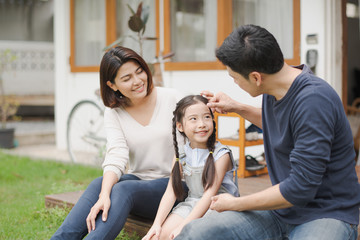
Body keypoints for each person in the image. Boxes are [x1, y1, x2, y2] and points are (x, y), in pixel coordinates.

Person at [175, 24, 360, 240]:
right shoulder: (276, 88)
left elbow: (299, 188)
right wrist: (237, 107)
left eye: (234, 77)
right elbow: (285, 125)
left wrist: (236, 203)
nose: (234, 82)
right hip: (281, 210)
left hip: (326, 213)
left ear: (256, 77)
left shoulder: (314, 101)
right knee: (197, 232)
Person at [51, 46, 184, 240]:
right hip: (141, 182)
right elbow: (116, 154)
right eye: (127, 78)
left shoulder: (173, 98)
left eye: (139, 72)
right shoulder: (114, 112)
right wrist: (104, 195)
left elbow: (184, 154)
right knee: (100, 185)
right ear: (112, 85)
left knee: (124, 189)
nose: (138, 81)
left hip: (177, 186)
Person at [142, 95, 239, 240]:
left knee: (185, 235)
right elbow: (170, 192)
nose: (202, 124)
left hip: (220, 207)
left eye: (206, 117)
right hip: (193, 202)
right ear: (180, 126)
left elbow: (209, 195)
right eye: (193, 119)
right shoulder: (181, 154)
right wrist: (156, 224)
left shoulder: (221, 154)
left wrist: (184, 225)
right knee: (159, 236)